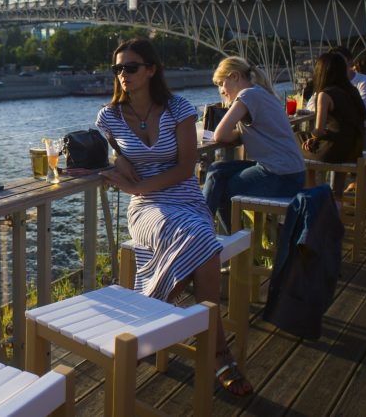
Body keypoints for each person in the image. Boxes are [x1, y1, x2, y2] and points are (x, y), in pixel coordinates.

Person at [96, 38, 252, 396]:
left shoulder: (177, 108)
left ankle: (149, 318)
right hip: (147, 207)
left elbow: (185, 168)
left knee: (201, 237)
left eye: (131, 67)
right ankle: (218, 352)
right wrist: (120, 171)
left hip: (182, 196)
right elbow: (121, 160)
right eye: (117, 68)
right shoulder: (108, 117)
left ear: (151, 70)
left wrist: (136, 187)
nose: (123, 75)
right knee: (203, 243)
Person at [203, 57, 306, 234]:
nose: (221, 91)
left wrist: (235, 133)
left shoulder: (247, 95)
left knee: (220, 189)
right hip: (291, 172)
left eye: (221, 83)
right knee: (216, 170)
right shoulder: (261, 92)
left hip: (280, 176)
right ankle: (216, 235)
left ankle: (215, 239)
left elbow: (220, 134)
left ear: (234, 76)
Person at [300, 53, 366, 163]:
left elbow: (319, 131)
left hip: (335, 152)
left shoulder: (325, 95)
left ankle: (311, 180)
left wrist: (312, 138)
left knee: (297, 140)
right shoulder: (352, 90)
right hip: (354, 150)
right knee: (313, 141)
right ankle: (336, 181)